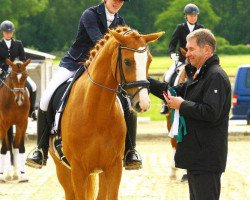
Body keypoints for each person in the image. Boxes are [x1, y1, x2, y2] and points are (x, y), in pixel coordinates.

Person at [26, 0, 142, 170]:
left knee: (126, 102)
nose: (117, 2)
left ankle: (130, 151)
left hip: (101, 72)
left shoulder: (120, 21)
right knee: (45, 98)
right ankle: (41, 149)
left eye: (121, 0)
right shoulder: (90, 14)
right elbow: (99, 41)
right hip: (75, 64)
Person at [148, 29, 231, 200]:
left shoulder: (216, 76)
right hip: (197, 157)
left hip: (207, 159)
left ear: (206, 50)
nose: (188, 54)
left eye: (192, 49)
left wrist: (182, 105)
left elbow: (211, 112)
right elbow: (171, 91)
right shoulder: (199, 75)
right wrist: (144, 80)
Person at [0, 20, 37, 182]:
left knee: (32, 86)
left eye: (10, 32)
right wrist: (4, 67)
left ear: (13, 32)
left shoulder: (18, 44)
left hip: (18, 72)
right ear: (3, 33)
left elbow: (22, 57)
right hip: (2, 72)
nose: (9, 34)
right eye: (6, 32)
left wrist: (18, 65)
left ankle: (32, 110)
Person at [160, 3, 204, 114]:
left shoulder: (201, 29)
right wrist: (172, 54)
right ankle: (165, 104)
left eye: (195, 15)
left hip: (196, 61)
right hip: (181, 60)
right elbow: (172, 44)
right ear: (186, 16)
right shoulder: (180, 28)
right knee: (168, 76)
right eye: (191, 15)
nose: (193, 17)